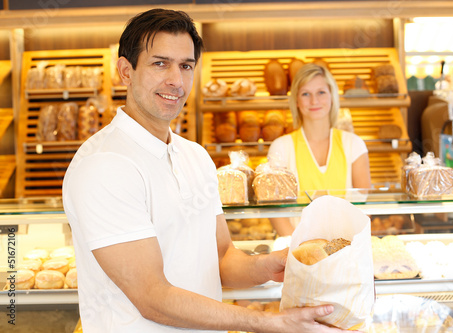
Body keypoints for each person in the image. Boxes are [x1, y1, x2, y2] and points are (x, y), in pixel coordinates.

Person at [63, 8, 357, 333]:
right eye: (160, 63)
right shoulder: (105, 164)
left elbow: (221, 259)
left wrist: (270, 264)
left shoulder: (196, 157)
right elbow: (151, 296)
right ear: (126, 71)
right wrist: (266, 322)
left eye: (186, 66)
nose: (176, 80)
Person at [268, 63, 371, 236]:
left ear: (332, 96)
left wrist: (343, 249)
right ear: (296, 101)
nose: (314, 101)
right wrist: (297, 252)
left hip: (346, 249)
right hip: (297, 252)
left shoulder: (354, 144)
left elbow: (364, 208)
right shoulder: (281, 147)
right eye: (306, 94)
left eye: (321, 92)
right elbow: (275, 210)